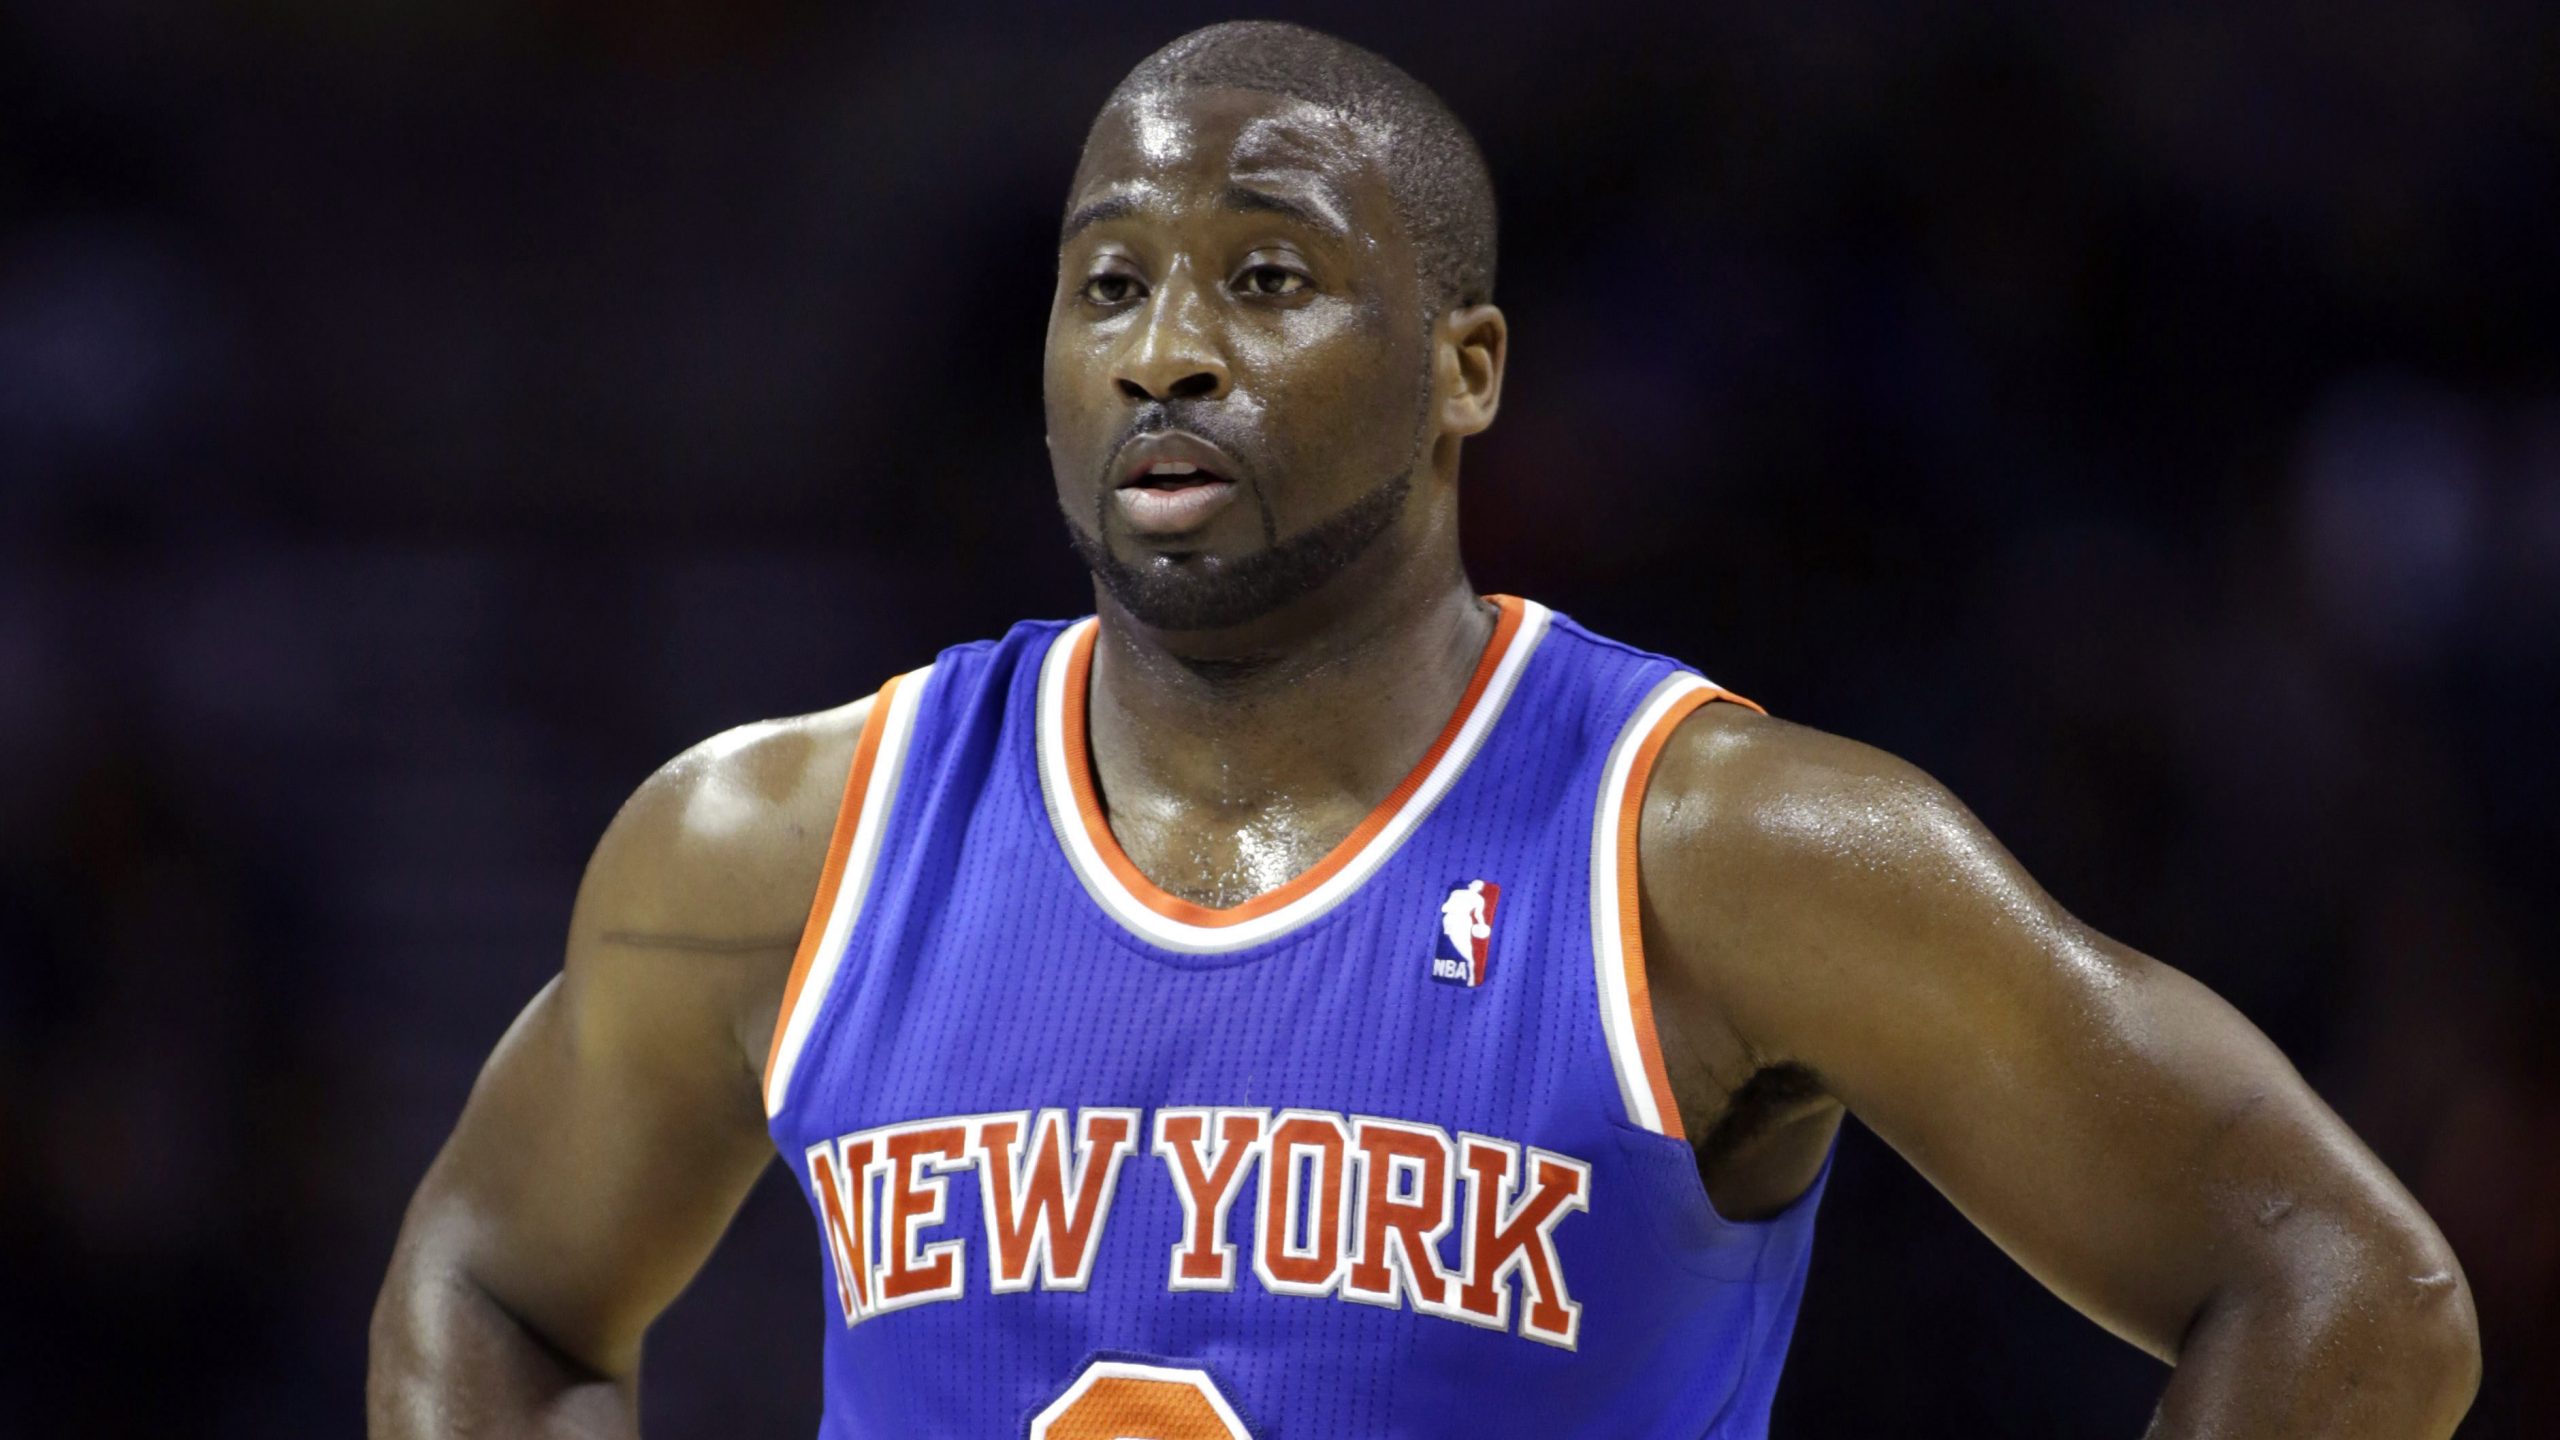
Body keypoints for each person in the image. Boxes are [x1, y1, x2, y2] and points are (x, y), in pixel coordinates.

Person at [367, 21, 2479, 1439]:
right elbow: (492, 1290)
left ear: (1467, 367)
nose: (1167, 350)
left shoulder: (1716, 852)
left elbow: (2345, 1289)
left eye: (1264, 279)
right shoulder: (775, 842)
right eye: (1108, 286)